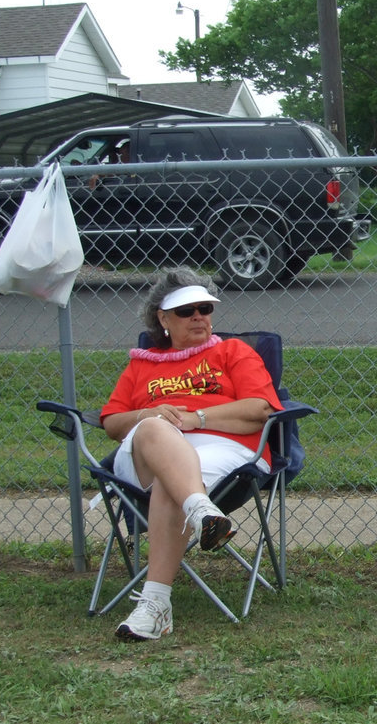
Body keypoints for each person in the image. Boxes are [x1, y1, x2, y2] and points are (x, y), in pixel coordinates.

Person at [99, 268, 282, 641]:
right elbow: (113, 423)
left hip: (225, 449)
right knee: (154, 429)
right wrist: (148, 414)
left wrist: (196, 418)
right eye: (186, 311)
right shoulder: (143, 363)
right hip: (144, 455)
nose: (198, 316)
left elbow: (260, 409)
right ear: (163, 319)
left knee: (174, 480)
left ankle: (155, 606)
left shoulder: (232, 351)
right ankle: (202, 512)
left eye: (204, 308)